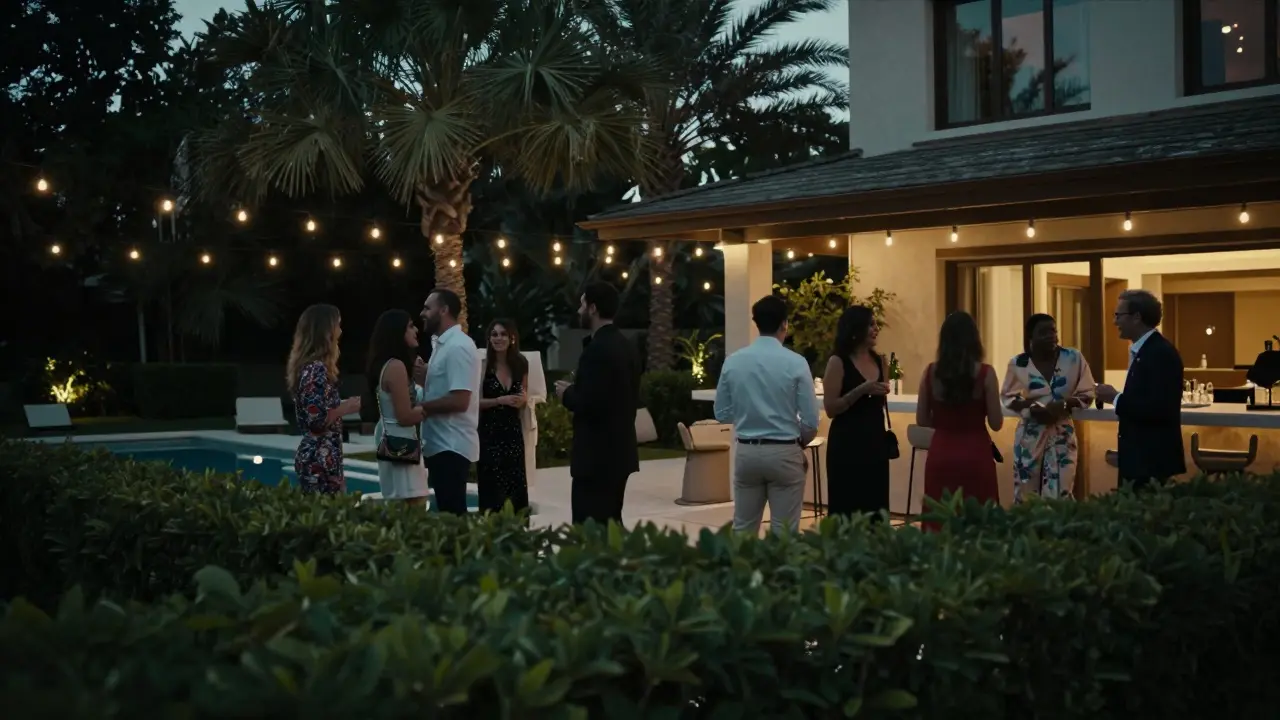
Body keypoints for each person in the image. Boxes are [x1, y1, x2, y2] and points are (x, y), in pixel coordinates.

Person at [714, 295, 819, 534]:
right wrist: (798, 443)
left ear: (757, 323)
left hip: (747, 451)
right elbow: (811, 420)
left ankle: (740, 571)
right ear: (785, 324)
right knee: (784, 533)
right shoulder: (796, 363)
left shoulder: (734, 362)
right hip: (784, 450)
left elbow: (721, 413)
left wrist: (747, 414)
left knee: (743, 528)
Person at [554, 282, 640, 525]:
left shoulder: (598, 350)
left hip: (597, 458)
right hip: (619, 453)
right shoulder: (626, 345)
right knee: (611, 521)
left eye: (582, 304)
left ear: (592, 308)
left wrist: (567, 393)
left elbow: (591, 402)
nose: (578, 310)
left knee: (590, 527)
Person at [916, 311, 1003, 527]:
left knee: (941, 521)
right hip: (977, 455)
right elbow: (996, 423)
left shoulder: (930, 373)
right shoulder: (986, 374)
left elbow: (922, 419)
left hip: (941, 454)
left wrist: (945, 422)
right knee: (979, 524)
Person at [1094, 289, 1185, 488]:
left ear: (1136, 317)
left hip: (1151, 461)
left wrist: (1115, 398)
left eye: (1118, 315)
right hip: (1139, 460)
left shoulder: (1160, 353)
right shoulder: (1145, 350)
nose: (1114, 322)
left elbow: (1158, 408)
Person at [1001, 313, 1096, 502]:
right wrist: (1032, 408)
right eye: (1043, 332)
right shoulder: (1018, 363)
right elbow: (1008, 396)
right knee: (1026, 496)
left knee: (1059, 495)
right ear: (1031, 337)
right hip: (1029, 436)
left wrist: (1064, 405)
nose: (1051, 336)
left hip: (1062, 434)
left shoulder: (1073, 358)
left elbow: (1088, 393)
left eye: (1053, 331)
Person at [821, 305, 891, 519]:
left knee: (875, 506)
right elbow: (831, 408)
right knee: (846, 506)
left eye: (876, 324)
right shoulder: (838, 362)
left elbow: (880, 399)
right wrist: (862, 390)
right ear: (856, 328)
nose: (876, 329)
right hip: (846, 443)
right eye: (871, 324)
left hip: (876, 442)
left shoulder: (881, 361)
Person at [418, 288, 481, 515]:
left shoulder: (458, 346)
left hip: (451, 446)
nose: (422, 313)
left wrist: (420, 408)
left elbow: (460, 400)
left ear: (443, 310)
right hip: (440, 444)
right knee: (447, 512)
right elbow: (446, 389)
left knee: (453, 516)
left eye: (427, 307)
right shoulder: (442, 345)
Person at [287, 304, 360, 494]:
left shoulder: (310, 368)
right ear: (325, 331)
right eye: (337, 325)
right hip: (319, 459)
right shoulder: (315, 370)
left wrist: (343, 405)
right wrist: (346, 408)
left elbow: (318, 409)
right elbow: (317, 421)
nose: (340, 331)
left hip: (321, 456)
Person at [365, 309, 429, 506]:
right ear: (397, 332)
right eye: (410, 326)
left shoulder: (390, 365)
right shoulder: (395, 367)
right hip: (398, 438)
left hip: (392, 435)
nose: (416, 330)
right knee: (412, 500)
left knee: (402, 499)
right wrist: (434, 407)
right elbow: (405, 416)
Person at [477, 319, 530, 513]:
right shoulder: (483, 366)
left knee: (515, 487)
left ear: (512, 338)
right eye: (494, 334)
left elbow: (524, 393)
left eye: (503, 334)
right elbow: (474, 403)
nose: (498, 338)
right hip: (490, 434)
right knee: (493, 490)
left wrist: (522, 400)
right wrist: (500, 400)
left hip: (513, 434)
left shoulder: (521, 364)